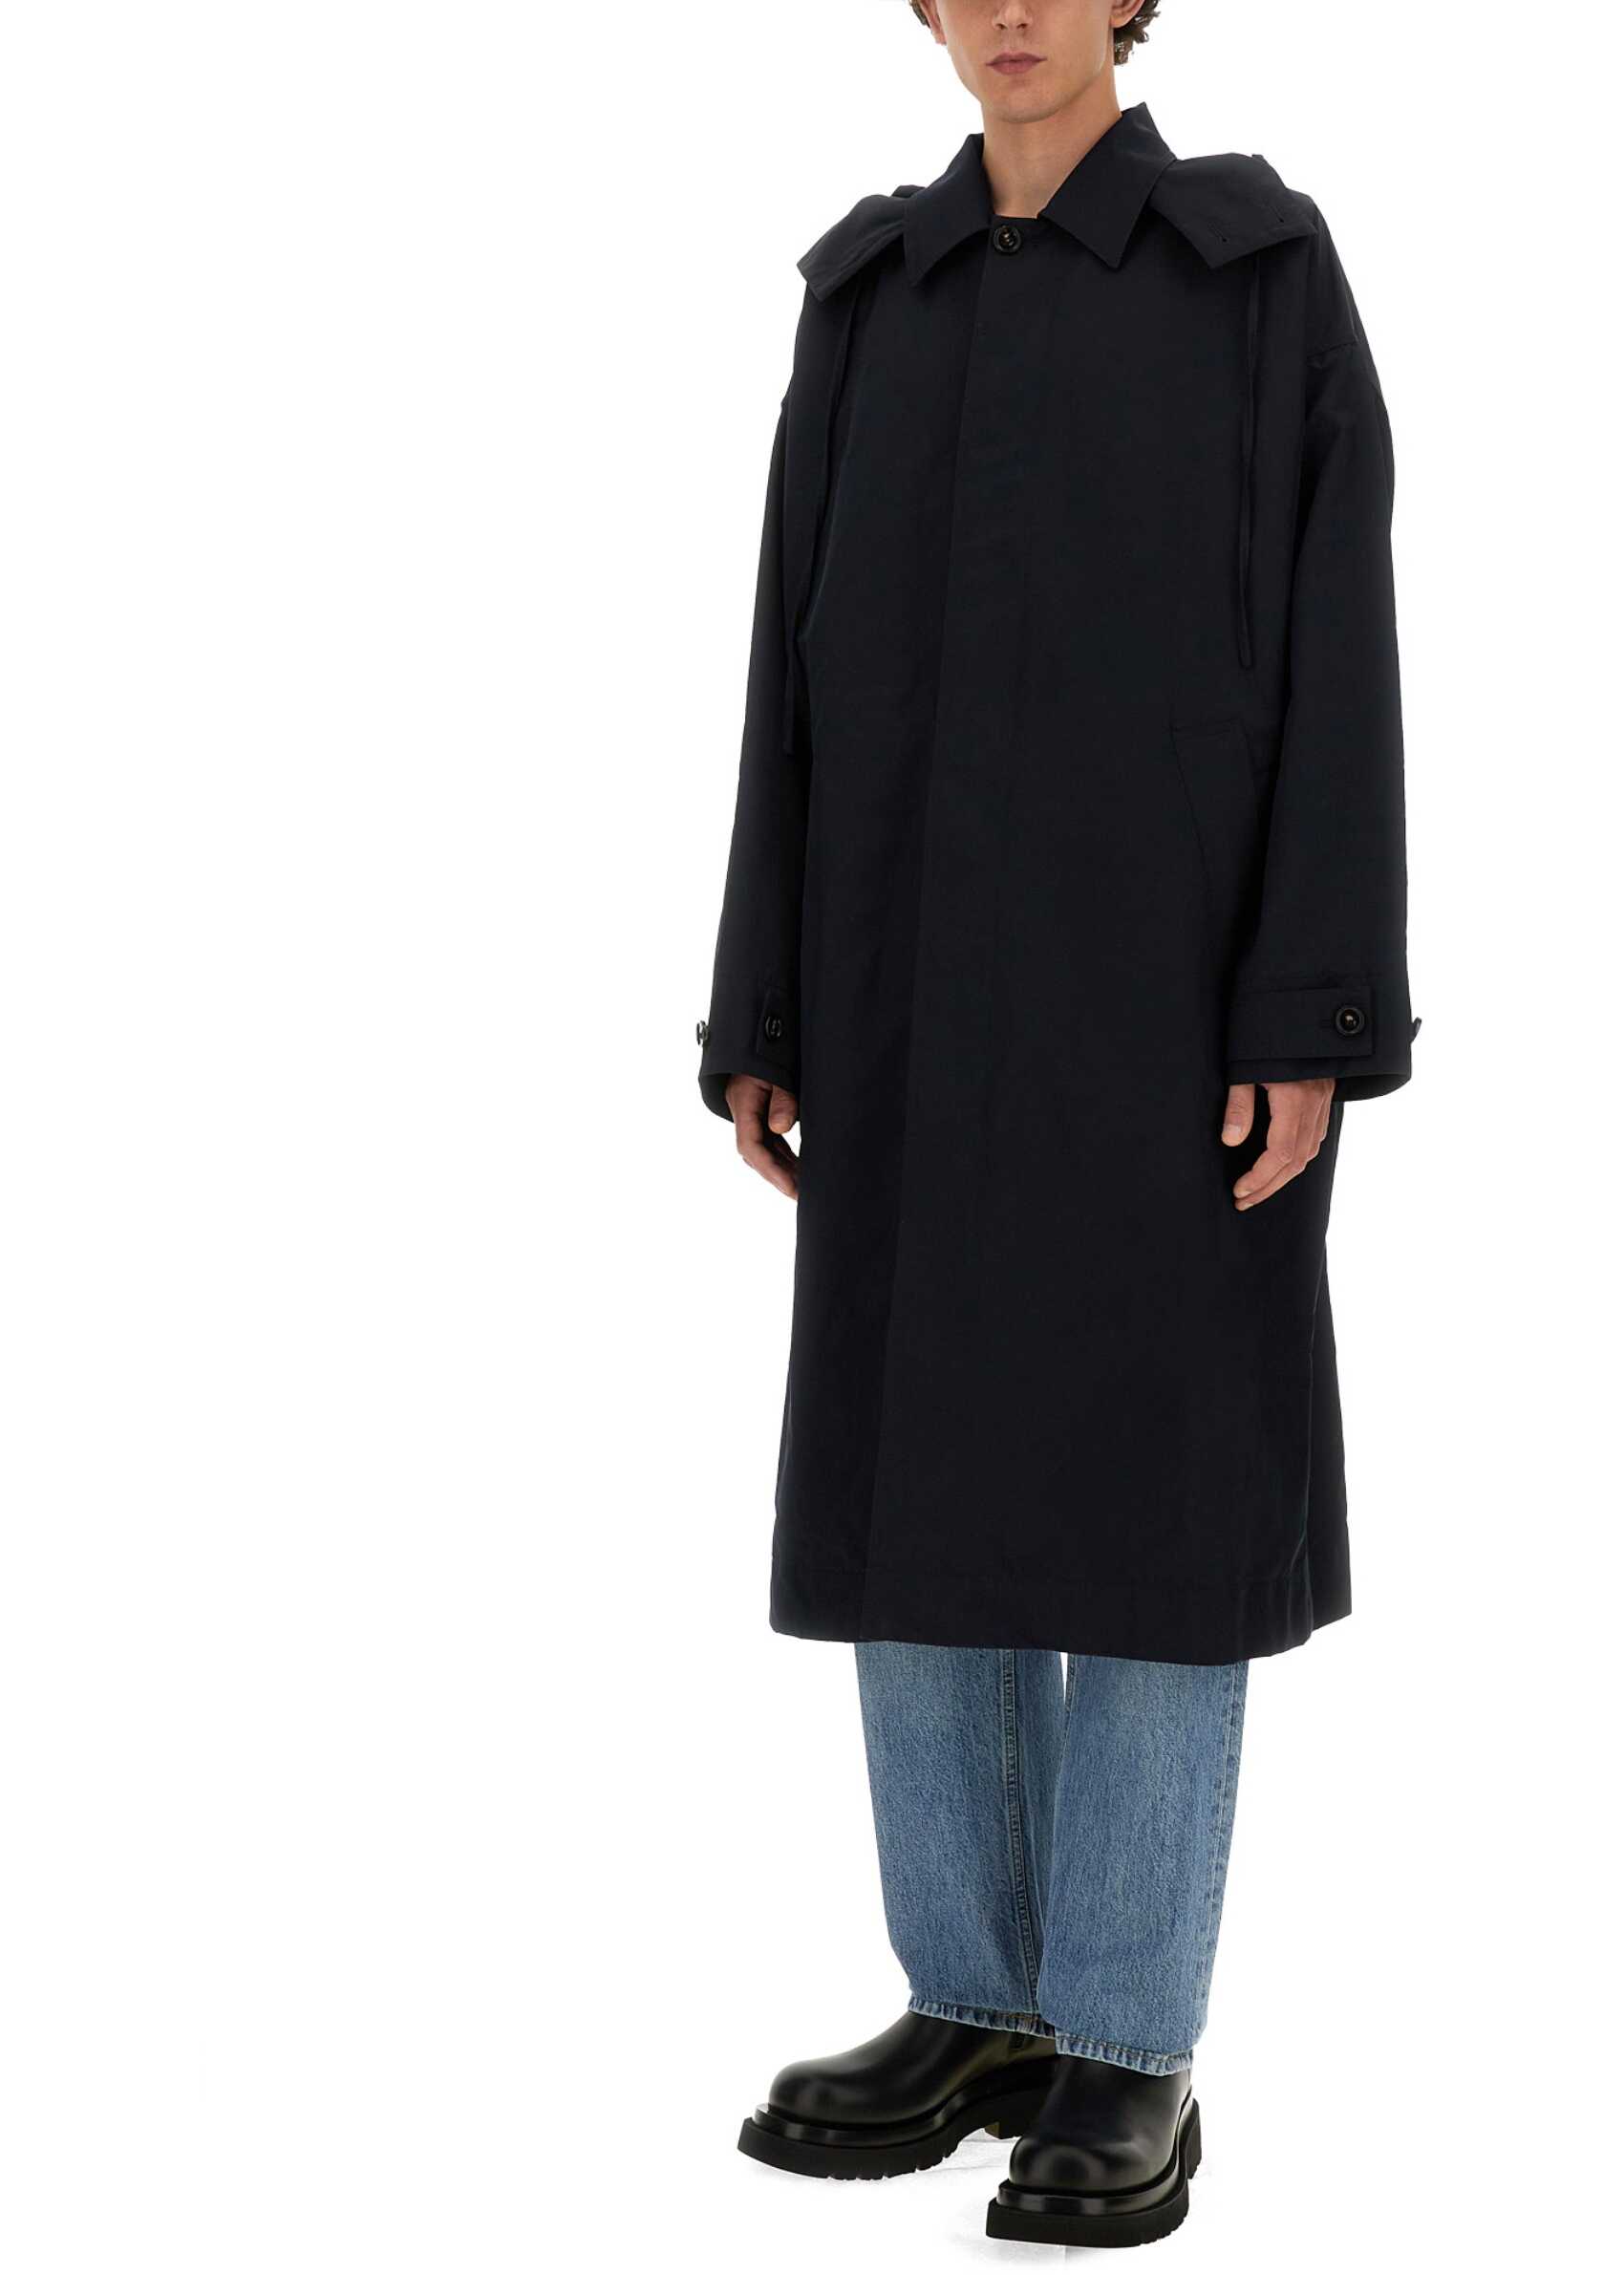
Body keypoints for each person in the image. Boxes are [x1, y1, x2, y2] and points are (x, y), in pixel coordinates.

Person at [696, 0, 1414, 2248]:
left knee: (1153, 1514)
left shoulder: (1252, 276)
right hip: (900, 993)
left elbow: (1337, 649)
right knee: (919, 1507)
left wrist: (1309, 1008)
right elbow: (786, 664)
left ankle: (1125, 2040)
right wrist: (764, 998)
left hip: (1166, 1005)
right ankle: (974, 2002)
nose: (1009, 11)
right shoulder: (869, 299)